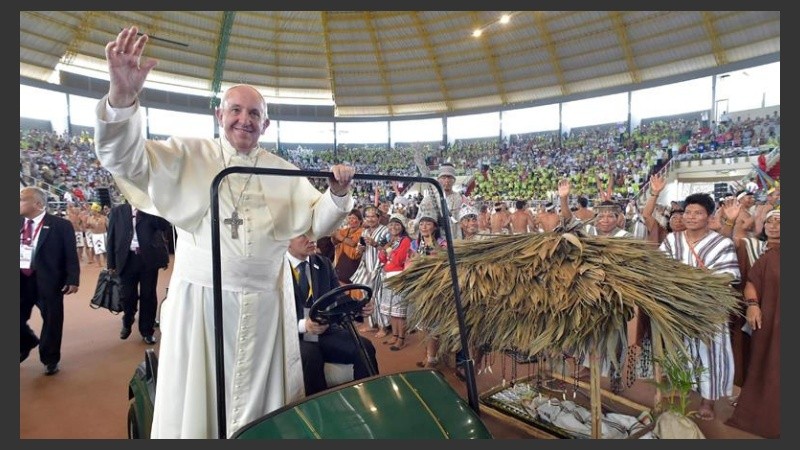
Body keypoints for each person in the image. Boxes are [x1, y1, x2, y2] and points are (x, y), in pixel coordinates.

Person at [93, 26, 355, 438]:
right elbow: (125, 161)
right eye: (235, 110)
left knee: (259, 411)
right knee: (202, 404)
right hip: (203, 303)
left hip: (267, 304)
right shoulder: (189, 155)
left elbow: (316, 221)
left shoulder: (282, 171)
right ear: (220, 116)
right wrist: (123, 97)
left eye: (254, 114)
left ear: (265, 125)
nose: (244, 120)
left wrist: (337, 193)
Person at [659, 192, 740, 421]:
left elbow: (730, 275)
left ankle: (708, 400)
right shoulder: (672, 240)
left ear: (709, 217)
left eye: (698, 213)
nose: (691, 217)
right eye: (688, 212)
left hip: (709, 308)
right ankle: (684, 386)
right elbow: (660, 268)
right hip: (679, 306)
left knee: (711, 352)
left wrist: (702, 280)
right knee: (680, 350)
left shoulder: (722, 243)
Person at [286, 233, 379, 396]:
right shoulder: (276, 271)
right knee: (310, 355)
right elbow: (270, 317)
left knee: (364, 347)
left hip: (326, 331)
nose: (311, 239)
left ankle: (370, 399)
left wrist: (359, 308)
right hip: (293, 336)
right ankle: (318, 411)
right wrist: (303, 325)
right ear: (286, 240)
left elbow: (337, 297)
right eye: (303, 235)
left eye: (312, 234)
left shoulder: (323, 263)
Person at [725, 209, 780, 438]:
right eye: (770, 221)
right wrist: (752, 305)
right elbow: (751, 281)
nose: (775, 225)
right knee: (759, 358)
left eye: (780, 222)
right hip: (763, 317)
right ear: (762, 225)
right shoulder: (756, 248)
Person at [20, 186, 80, 376]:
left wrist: (73, 278)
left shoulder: (61, 225)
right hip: (21, 280)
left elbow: (71, 254)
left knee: (52, 320)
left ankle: (50, 358)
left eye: (22, 199)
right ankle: (27, 341)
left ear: (37, 204)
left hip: (49, 280)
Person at [106, 202, 171, 345]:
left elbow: (164, 226)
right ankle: (127, 320)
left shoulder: (151, 208)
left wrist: (150, 208)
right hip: (126, 259)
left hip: (148, 259)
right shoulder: (118, 211)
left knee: (148, 295)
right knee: (127, 296)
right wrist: (111, 263)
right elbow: (111, 237)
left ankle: (147, 331)